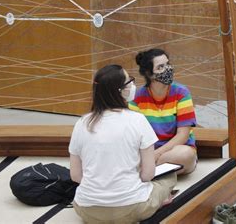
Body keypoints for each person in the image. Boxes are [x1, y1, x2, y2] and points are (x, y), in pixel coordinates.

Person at [69, 64, 176, 223]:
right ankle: (159, 201)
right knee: (170, 176)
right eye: (129, 82)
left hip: (87, 210)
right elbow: (148, 175)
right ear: (119, 90)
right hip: (131, 207)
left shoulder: (82, 123)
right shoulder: (137, 120)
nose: (133, 85)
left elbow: (76, 176)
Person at [129, 48, 197, 174]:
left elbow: (183, 135)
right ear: (149, 74)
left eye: (168, 64)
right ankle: (153, 171)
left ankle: (147, 170)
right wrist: (148, 155)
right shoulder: (137, 98)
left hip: (175, 150)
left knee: (186, 155)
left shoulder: (181, 93)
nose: (168, 69)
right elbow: (135, 135)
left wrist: (156, 155)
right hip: (148, 152)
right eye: (160, 67)